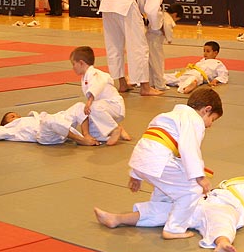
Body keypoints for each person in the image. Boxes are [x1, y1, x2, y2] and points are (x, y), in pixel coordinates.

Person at [95, 87, 223, 239]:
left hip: (145, 159)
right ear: (206, 110)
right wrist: (199, 177)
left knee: (165, 198)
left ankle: (118, 219)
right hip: (159, 161)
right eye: (212, 119)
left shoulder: (167, 116)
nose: (210, 125)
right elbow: (189, 148)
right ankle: (174, 229)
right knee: (193, 190)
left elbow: (148, 143)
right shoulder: (194, 119)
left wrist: (135, 174)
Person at [94, 173, 244, 252]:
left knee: (221, 222)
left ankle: (222, 243)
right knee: (167, 210)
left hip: (229, 208)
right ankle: (118, 219)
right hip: (207, 200)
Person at [98, 0, 166, 96]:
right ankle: (145, 88)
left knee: (113, 45)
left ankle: (122, 83)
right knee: (138, 46)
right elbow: (152, 10)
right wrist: (156, 27)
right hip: (126, 1)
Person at [70, 46, 129, 145]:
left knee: (92, 107)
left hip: (114, 106)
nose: (73, 67)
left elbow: (98, 84)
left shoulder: (96, 74)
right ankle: (116, 130)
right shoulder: (86, 76)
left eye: (74, 64)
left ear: (81, 63)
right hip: (103, 108)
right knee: (94, 132)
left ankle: (114, 129)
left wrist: (90, 101)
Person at [0, 103, 99, 146]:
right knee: (48, 120)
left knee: (79, 106)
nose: (17, 117)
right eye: (12, 117)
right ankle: (80, 140)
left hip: (55, 125)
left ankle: (86, 134)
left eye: (17, 115)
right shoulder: (10, 129)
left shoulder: (30, 118)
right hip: (44, 135)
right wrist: (1, 128)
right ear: (6, 123)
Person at [164, 41, 229, 94]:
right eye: (204, 51)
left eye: (208, 51)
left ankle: (186, 88)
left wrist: (215, 80)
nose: (205, 53)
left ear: (215, 53)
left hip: (199, 75)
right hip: (189, 72)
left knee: (192, 79)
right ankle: (158, 80)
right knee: (173, 76)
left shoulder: (218, 63)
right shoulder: (202, 61)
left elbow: (223, 75)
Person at [147, 2, 182, 91]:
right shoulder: (168, 18)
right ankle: (160, 85)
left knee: (151, 64)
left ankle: (151, 83)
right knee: (158, 63)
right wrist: (169, 39)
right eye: (177, 18)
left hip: (149, 39)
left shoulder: (162, 15)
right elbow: (167, 27)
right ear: (175, 14)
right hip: (155, 42)